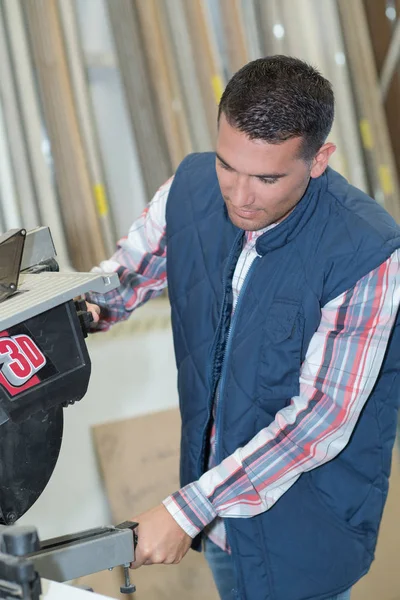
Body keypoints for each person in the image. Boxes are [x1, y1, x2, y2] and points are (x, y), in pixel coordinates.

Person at [86, 56, 400, 600]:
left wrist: (188, 510)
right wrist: (66, 310)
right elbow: (123, 279)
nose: (239, 195)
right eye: (228, 165)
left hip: (305, 526)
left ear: (319, 159)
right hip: (219, 517)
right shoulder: (190, 187)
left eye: (267, 177)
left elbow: (318, 420)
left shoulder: (366, 251)